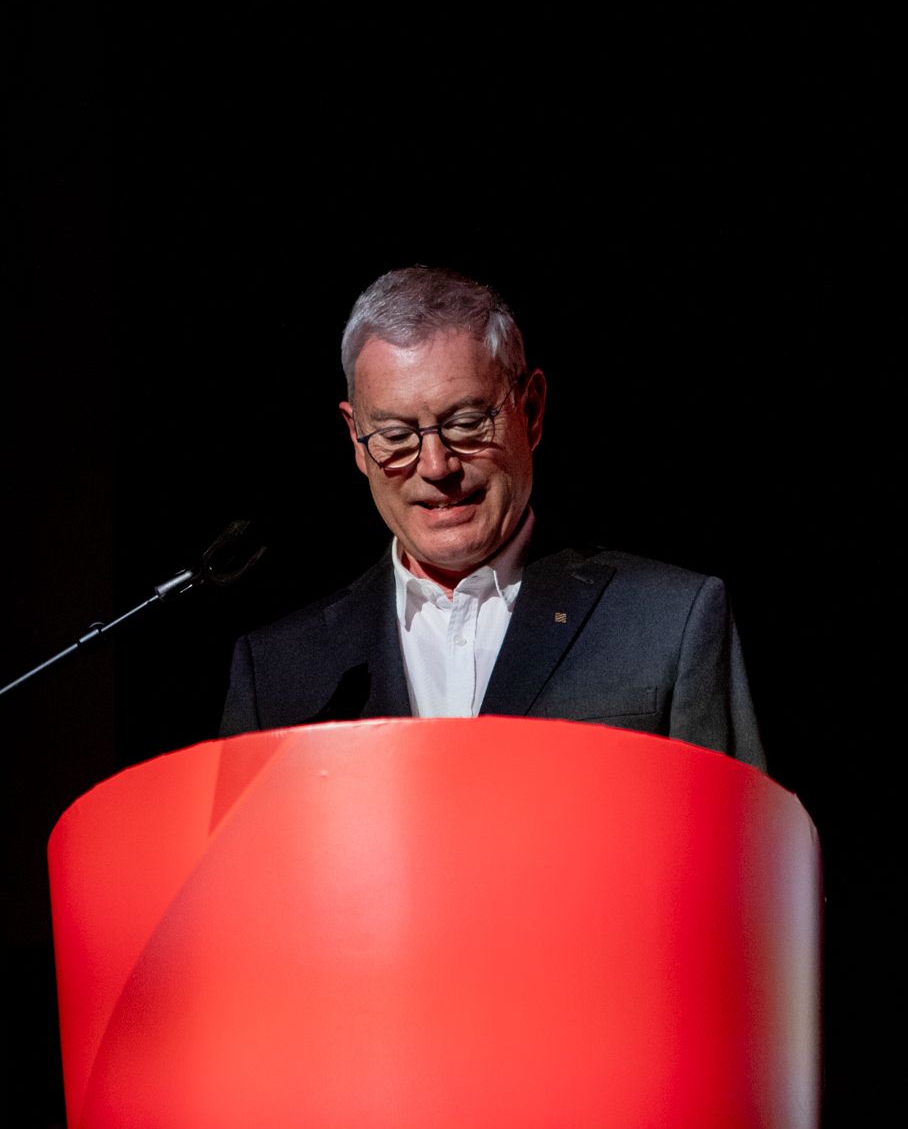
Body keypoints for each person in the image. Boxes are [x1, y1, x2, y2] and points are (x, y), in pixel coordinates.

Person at [219, 265, 765, 771]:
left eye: (466, 423)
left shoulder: (666, 623)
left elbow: (737, 859)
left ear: (531, 411)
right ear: (357, 443)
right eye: (394, 436)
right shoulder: (278, 673)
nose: (436, 466)